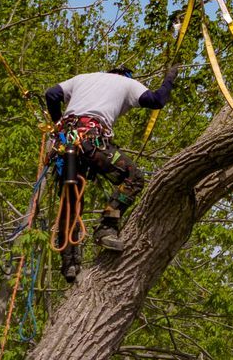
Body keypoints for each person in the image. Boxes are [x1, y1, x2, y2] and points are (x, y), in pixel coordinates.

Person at [42, 63, 177, 281]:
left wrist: (59, 124)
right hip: (91, 141)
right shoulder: (127, 83)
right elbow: (156, 100)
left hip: (66, 143)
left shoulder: (83, 76)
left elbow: (52, 94)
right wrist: (170, 78)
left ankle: (69, 263)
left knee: (71, 199)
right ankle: (107, 226)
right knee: (133, 178)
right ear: (125, 75)